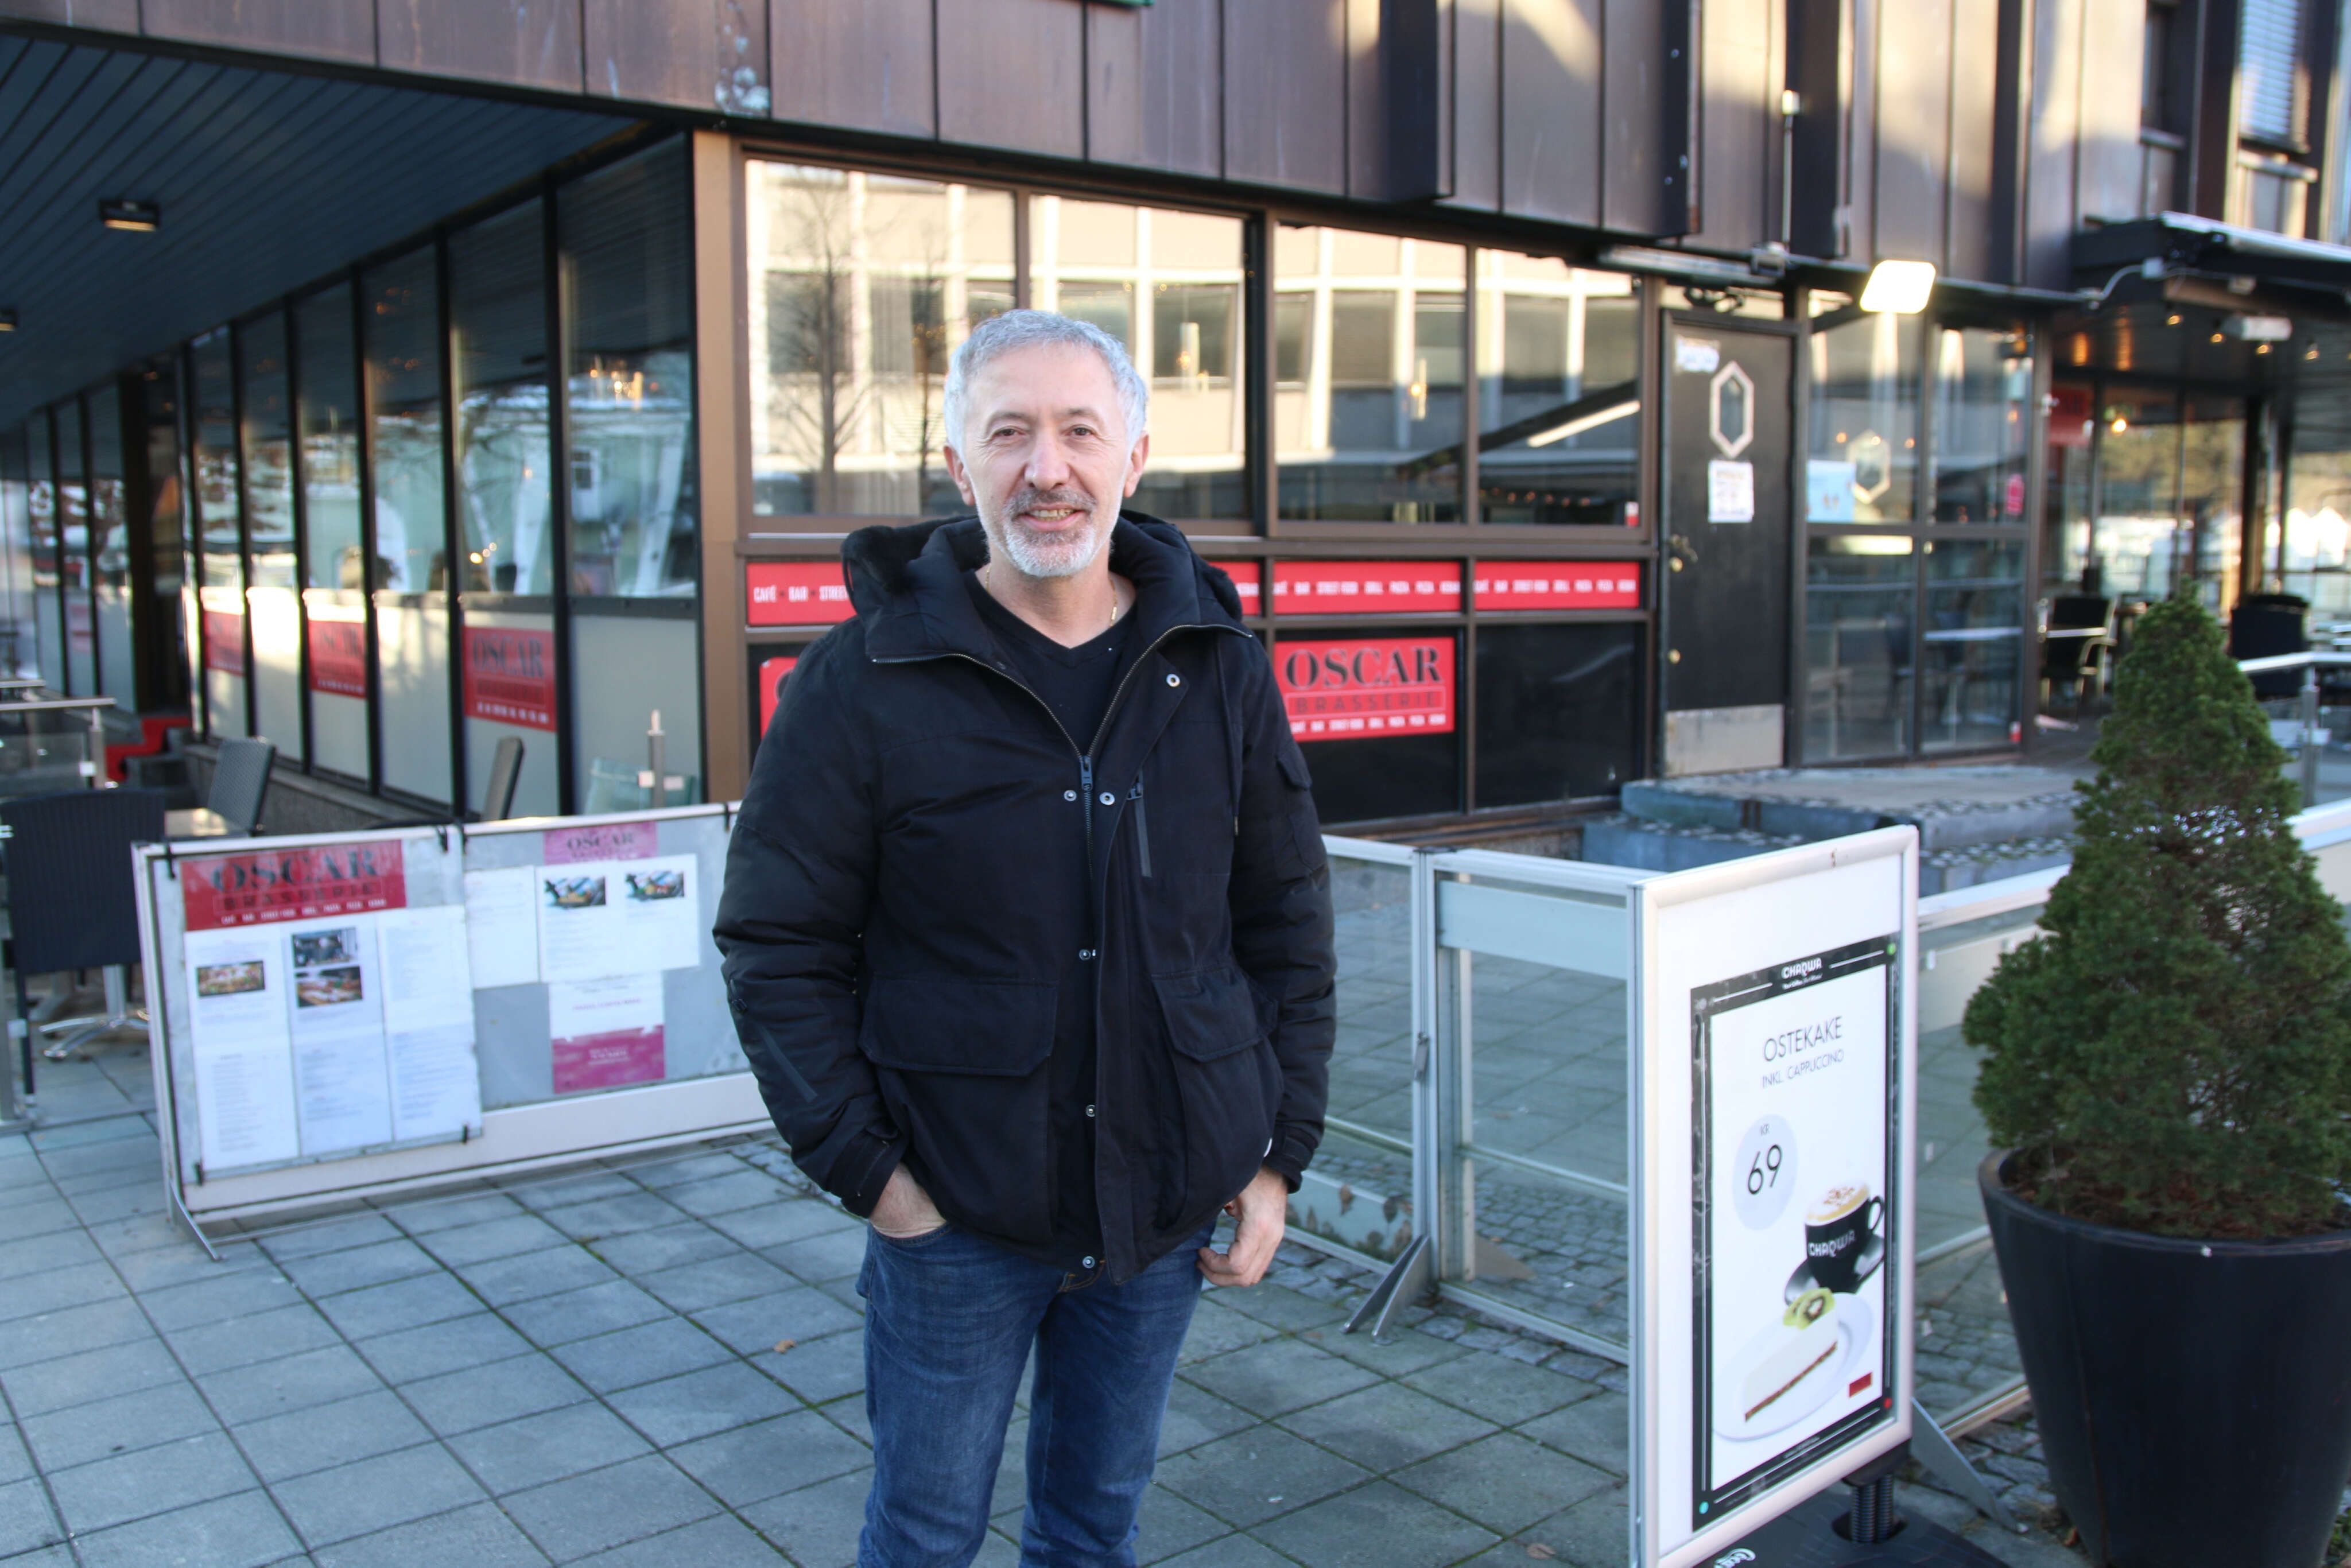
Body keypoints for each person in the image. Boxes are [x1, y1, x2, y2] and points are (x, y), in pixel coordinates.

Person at [714, 309, 1337, 1568]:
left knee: (1094, 1531)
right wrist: (878, 1183)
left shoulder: (1215, 665)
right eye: (1009, 434)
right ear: (960, 467)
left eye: (1078, 432)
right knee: (924, 1536)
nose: (1046, 469)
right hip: (953, 1217)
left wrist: (1274, 1155)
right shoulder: (861, 679)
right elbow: (778, 945)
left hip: (1158, 1211)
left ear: (1133, 457)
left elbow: (1283, 918)